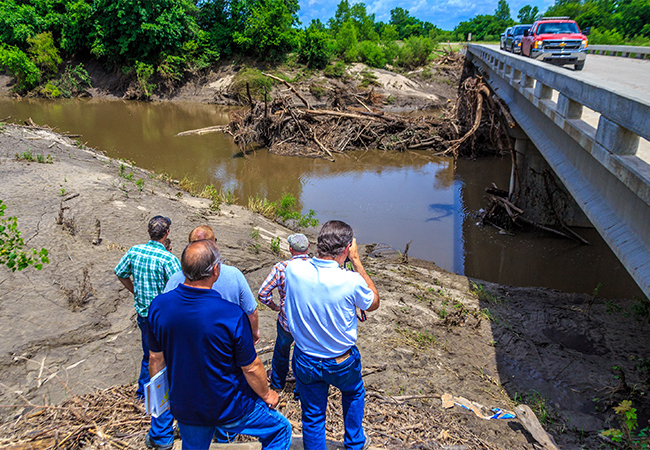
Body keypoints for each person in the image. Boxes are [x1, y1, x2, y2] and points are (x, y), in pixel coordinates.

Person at [147, 239, 292, 450]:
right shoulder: (231, 314)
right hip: (228, 405)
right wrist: (267, 394)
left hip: (186, 406)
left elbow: (155, 360)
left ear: (183, 269)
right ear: (216, 270)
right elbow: (251, 367)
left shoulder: (159, 306)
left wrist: (163, 399)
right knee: (280, 429)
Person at [284, 220, 380, 450]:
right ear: (347, 249)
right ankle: (355, 444)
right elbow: (373, 302)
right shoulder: (351, 280)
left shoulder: (293, 269)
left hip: (305, 357)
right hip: (341, 360)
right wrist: (356, 261)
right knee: (354, 392)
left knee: (313, 417)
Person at [114, 215, 181, 449]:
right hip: (163, 317)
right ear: (167, 233)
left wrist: (134, 290)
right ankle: (164, 403)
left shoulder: (134, 251)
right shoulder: (167, 258)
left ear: (148, 231)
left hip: (144, 312)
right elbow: (181, 286)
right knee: (167, 359)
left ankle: (144, 396)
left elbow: (120, 272)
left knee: (149, 356)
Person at [163, 225, 260, 344]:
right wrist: (254, 332)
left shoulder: (175, 279)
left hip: (185, 345)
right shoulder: (234, 274)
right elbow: (251, 311)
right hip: (224, 345)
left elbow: (164, 315)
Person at [258, 233, 310, 390]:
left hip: (286, 320)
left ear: (290, 249)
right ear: (308, 248)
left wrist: (275, 306)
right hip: (308, 322)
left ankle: (277, 383)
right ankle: (300, 390)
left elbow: (262, 294)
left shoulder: (281, 267)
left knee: (281, 352)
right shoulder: (315, 266)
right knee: (303, 355)